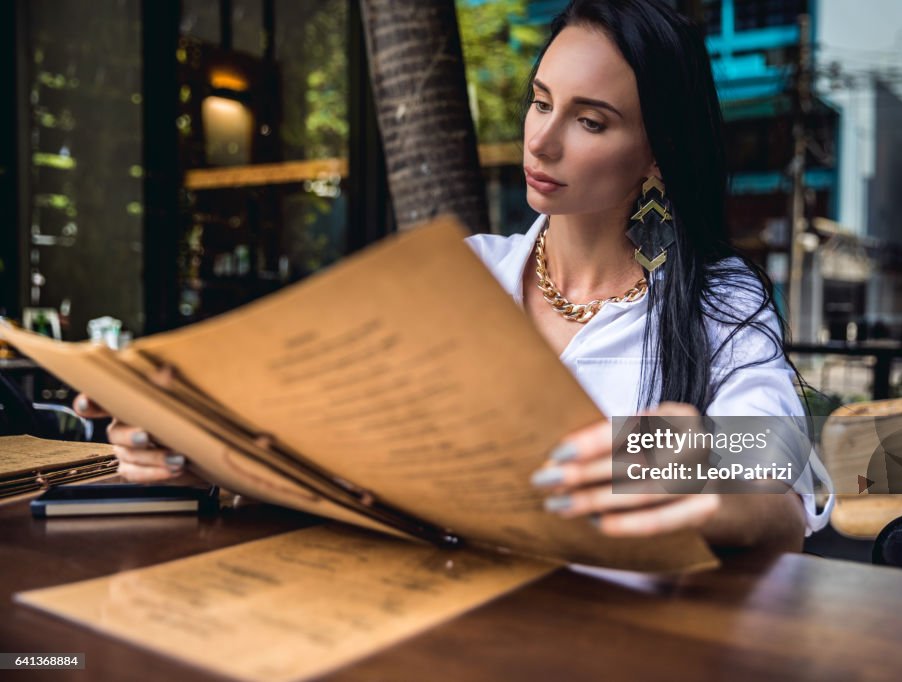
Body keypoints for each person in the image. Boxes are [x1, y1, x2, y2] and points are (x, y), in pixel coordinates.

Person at [76, 0, 832, 554]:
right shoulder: (468, 271)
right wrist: (184, 442)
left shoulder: (714, 297)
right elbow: (330, 438)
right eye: (541, 102)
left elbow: (783, 479)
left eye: (590, 120)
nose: (542, 138)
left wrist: (677, 460)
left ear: (657, 152)